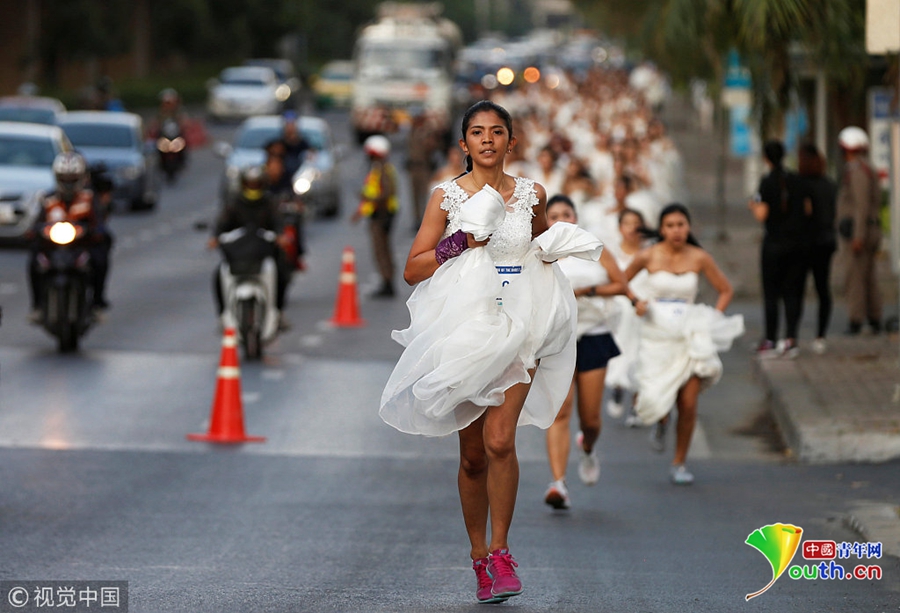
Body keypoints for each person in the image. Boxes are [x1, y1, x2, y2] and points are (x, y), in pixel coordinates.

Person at [379, 100, 601, 603]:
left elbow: (539, 246)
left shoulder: (531, 195)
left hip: (520, 327)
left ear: (510, 141)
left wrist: (558, 248)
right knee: (474, 455)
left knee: (501, 441)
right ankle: (478, 556)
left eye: (496, 131)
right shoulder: (446, 197)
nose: (487, 139)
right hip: (464, 330)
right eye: (477, 132)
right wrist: (461, 242)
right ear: (464, 143)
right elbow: (413, 269)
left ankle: (501, 552)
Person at [625, 204, 743, 484]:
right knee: (654, 399)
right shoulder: (648, 255)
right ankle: (661, 420)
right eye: (670, 225)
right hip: (656, 335)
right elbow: (620, 280)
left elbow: (725, 290)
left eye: (681, 224)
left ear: (688, 227)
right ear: (662, 229)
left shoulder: (699, 257)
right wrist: (636, 302)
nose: (676, 231)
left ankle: (679, 462)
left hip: (690, 334)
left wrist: (712, 318)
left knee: (688, 403)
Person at [542, 195, 628, 510]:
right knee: (560, 411)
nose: (561, 220)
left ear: (576, 218)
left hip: (593, 334)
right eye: (554, 215)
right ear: (546, 222)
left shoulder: (593, 248)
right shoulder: (539, 251)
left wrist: (588, 291)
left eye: (567, 214)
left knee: (590, 419)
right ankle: (558, 484)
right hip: (556, 339)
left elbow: (621, 284)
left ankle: (588, 447)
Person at [27, 152, 109, 322]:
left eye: (72, 179)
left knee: (100, 260)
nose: (68, 183)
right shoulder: (48, 199)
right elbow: (36, 223)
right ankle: (37, 305)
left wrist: (94, 231)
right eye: (64, 179)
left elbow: (99, 223)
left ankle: (97, 303)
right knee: (34, 262)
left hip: (81, 246)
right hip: (54, 248)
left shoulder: (89, 198)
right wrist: (36, 231)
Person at [748, 140, 811, 358]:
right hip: (797, 244)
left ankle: (771, 339)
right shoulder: (797, 180)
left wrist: (753, 205)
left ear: (766, 158)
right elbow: (808, 209)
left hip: (774, 244)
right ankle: (791, 339)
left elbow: (762, 214)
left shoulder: (767, 182)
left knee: (771, 294)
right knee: (793, 293)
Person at [209, 165, 291, 324]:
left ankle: (278, 312)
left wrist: (280, 236)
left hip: (263, 252)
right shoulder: (234, 203)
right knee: (218, 275)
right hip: (239, 254)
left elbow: (278, 222)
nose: (253, 187)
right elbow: (222, 224)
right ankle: (222, 314)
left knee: (281, 273)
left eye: (256, 184)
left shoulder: (269, 203)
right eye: (250, 184)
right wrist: (215, 237)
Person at [836, 126, 882, 335]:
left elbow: (861, 205)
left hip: (860, 231)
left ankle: (856, 319)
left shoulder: (857, 171)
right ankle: (874, 318)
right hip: (869, 229)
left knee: (855, 278)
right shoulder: (866, 168)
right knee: (869, 276)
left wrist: (858, 236)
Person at [605, 208, 649, 425]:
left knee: (642, 356)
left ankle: (637, 404)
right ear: (620, 228)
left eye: (636, 223)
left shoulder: (650, 253)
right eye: (627, 223)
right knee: (620, 353)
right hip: (619, 313)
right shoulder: (610, 254)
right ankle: (618, 387)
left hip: (644, 311)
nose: (632, 228)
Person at [798, 143, 838, 353]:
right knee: (823, 288)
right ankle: (821, 335)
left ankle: (791, 334)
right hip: (826, 241)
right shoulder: (829, 184)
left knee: (797, 289)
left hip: (805, 243)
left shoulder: (800, 184)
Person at [352, 135, 399, 297]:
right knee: (382, 249)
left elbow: (386, 193)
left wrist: (368, 198)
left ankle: (387, 282)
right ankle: (386, 280)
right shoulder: (380, 168)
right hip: (380, 213)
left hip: (382, 215)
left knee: (381, 249)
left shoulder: (382, 170)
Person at [406, 110, 441, 228]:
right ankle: (417, 219)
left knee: (425, 194)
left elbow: (433, 146)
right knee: (414, 195)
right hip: (413, 166)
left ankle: (426, 220)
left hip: (424, 166)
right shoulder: (412, 131)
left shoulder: (427, 131)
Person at [279, 111, 310, 179]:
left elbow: (310, 157)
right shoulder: (279, 143)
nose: (290, 127)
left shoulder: (303, 143)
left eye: (292, 124)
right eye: (288, 124)